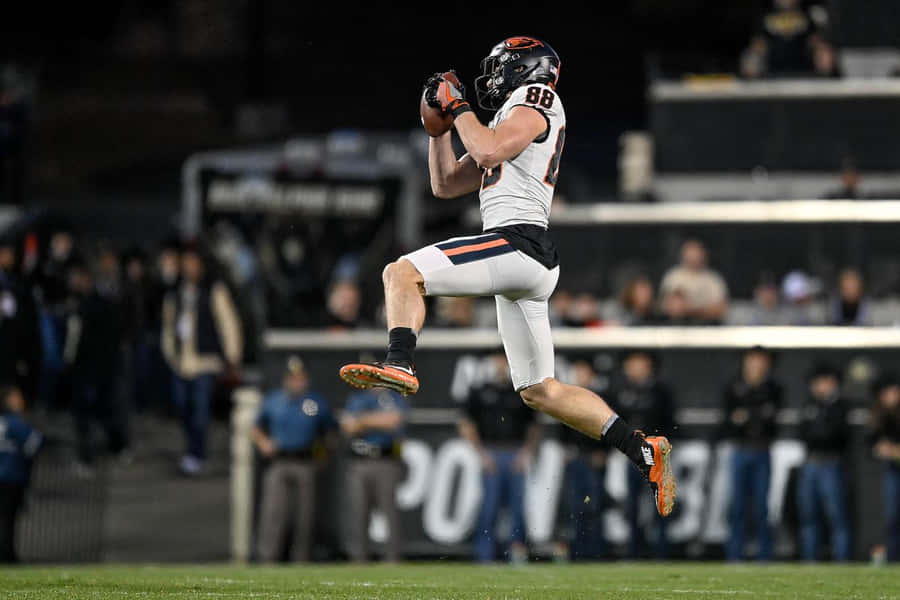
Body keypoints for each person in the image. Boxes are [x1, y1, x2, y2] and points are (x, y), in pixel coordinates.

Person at [337, 36, 676, 519]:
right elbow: (445, 183)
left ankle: (400, 362)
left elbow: (490, 151)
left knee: (401, 271)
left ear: (523, 67)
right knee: (540, 390)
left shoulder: (536, 98)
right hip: (521, 258)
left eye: (498, 67)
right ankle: (643, 449)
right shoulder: (503, 118)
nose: (491, 77)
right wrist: (438, 130)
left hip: (518, 242)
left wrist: (458, 109)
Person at [162, 244, 242, 475]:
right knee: (182, 406)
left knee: (200, 410)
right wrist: (170, 354)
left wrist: (232, 356)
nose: (190, 268)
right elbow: (168, 327)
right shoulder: (175, 294)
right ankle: (191, 448)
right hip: (181, 361)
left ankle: (196, 452)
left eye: (194, 263)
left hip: (205, 361)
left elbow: (228, 323)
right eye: (186, 263)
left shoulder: (214, 291)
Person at [458, 352, 540, 563]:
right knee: (489, 507)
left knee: (517, 509)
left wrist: (525, 453)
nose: (500, 365)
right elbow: (466, 423)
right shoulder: (480, 391)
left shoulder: (521, 391)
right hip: (491, 451)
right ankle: (484, 555)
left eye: (504, 360)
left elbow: (534, 425)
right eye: (497, 360)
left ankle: (517, 553)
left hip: (515, 452)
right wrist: (481, 454)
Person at [253, 356, 335, 562]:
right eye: (292, 378)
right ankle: (267, 557)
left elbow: (331, 432)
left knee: (304, 516)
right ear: (285, 379)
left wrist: (323, 455)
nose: (296, 382)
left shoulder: (315, 404)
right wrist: (263, 442)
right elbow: (256, 426)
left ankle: (301, 558)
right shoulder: (274, 401)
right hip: (278, 461)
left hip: (305, 461)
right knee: (273, 512)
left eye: (300, 378)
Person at [64, 259, 129, 469]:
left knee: (88, 414)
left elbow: (79, 341)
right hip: (102, 368)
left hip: (91, 368)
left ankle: (89, 455)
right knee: (106, 410)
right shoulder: (95, 303)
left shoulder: (89, 305)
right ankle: (116, 447)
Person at [609, 351, 674, 558]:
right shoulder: (620, 391)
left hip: (655, 454)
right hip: (632, 455)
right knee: (632, 504)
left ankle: (661, 550)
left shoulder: (660, 391)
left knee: (660, 501)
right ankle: (634, 550)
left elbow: (670, 421)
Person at [722, 346, 782, 561]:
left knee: (761, 507)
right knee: (737, 506)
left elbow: (770, 421)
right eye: (753, 360)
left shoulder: (773, 388)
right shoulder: (734, 387)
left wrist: (746, 417)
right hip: (740, 450)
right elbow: (728, 421)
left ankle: (765, 556)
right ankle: (734, 555)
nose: (756, 365)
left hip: (762, 450)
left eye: (760, 360)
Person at [341, 386, 409, 562]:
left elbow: (394, 420)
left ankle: (393, 558)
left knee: (389, 512)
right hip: (360, 460)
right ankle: (358, 558)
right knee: (358, 511)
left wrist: (362, 420)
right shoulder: (357, 398)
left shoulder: (393, 397)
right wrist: (377, 420)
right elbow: (348, 426)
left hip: (386, 459)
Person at [796, 363, 851, 561]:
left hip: (831, 463)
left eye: (826, 382)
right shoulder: (809, 405)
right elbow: (802, 434)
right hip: (810, 463)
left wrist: (819, 434)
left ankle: (842, 559)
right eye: (818, 382)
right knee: (808, 515)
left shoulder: (840, 406)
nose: (822, 386)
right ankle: (809, 560)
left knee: (837, 516)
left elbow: (837, 436)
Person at [557, 355, 608, 561]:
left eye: (583, 371)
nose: (579, 375)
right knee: (576, 506)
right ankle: (578, 550)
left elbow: (610, 426)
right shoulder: (569, 397)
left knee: (594, 505)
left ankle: (595, 550)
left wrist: (603, 452)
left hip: (593, 457)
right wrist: (566, 449)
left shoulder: (601, 397)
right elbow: (563, 425)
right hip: (576, 457)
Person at [740, 0, 836, 79]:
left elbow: (817, 43)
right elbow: (757, 45)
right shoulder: (765, 15)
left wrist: (822, 53)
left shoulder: (809, 13)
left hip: (803, 70)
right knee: (751, 58)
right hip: (772, 71)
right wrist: (752, 60)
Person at [0, 386, 42, 562]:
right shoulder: (15, 422)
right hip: (11, 476)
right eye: (16, 397)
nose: (20, 401)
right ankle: (7, 554)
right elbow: (34, 444)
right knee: (8, 519)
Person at [660, 239, 729, 324]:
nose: (693, 256)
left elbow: (721, 309)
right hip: (676, 327)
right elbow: (666, 306)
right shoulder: (673, 276)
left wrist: (692, 310)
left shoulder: (713, 279)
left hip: (707, 327)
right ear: (683, 254)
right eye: (690, 253)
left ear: (703, 254)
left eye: (696, 252)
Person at [869, 376, 900, 561]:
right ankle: (894, 559)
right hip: (893, 470)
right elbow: (873, 443)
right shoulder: (879, 416)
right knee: (892, 516)